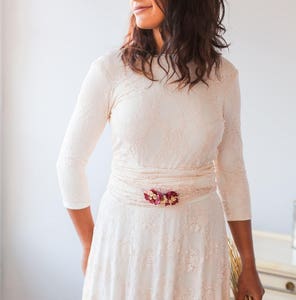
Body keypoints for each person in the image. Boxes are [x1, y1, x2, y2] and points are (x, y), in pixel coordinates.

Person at [56, 0, 265, 299]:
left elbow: (232, 171)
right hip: (124, 237)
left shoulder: (223, 76)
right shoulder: (110, 70)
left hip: (199, 240)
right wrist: (90, 244)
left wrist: (249, 264)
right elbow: (69, 163)